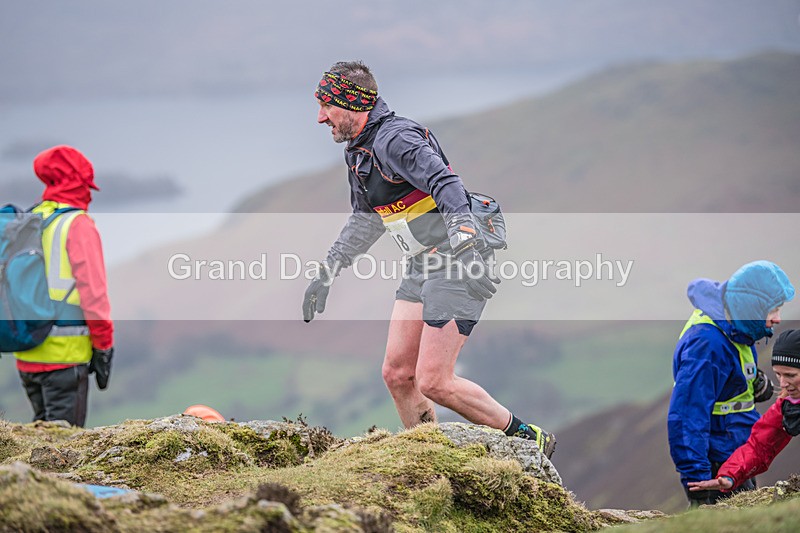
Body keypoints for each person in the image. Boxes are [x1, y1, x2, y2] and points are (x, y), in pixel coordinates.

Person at [302, 61, 555, 458]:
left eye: (326, 106)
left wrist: (468, 244)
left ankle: (528, 437)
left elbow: (445, 182)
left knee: (434, 380)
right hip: (423, 264)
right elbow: (366, 219)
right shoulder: (360, 149)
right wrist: (327, 271)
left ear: (352, 104)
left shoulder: (396, 139)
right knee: (398, 375)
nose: (319, 117)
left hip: (457, 259)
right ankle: (430, 457)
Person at [668, 260, 794, 506]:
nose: (778, 319)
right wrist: (698, 482)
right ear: (752, 308)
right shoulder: (706, 345)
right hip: (717, 464)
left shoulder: (735, 327)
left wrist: (754, 383)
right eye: (773, 310)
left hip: (735, 451)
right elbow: (687, 416)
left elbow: (727, 376)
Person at [13, 145, 114, 427]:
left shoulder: (32, 219)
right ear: (81, 183)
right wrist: (104, 347)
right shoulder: (77, 225)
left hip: (27, 352)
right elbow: (94, 295)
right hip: (65, 358)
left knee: (39, 440)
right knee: (63, 452)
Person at [688, 329, 800, 496]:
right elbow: (760, 445)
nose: (783, 383)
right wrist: (729, 475)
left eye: (790, 375)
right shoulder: (788, 405)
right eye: (778, 374)